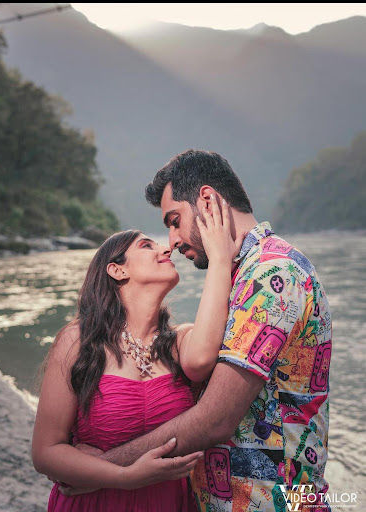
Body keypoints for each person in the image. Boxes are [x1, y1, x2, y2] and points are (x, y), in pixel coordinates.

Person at [69, 150, 332, 512]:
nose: (172, 240)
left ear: (207, 200)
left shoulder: (272, 274)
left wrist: (100, 468)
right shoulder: (239, 275)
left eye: (174, 220)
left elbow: (216, 419)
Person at [32, 195, 245, 511]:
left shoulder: (179, 342)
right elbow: (45, 452)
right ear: (117, 270)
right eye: (147, 246)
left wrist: (219, 258)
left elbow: (201, 360)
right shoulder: (78, 340)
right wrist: (125, 477)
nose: (165, 248)